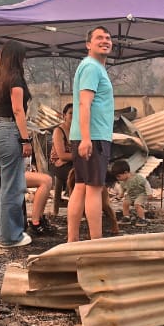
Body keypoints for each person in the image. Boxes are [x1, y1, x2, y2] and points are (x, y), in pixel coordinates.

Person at [67, 26, 115, 242]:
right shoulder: (91, 67)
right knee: (94, 188)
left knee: (81, 186)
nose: (105, 41)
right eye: (99, 38)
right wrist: (86, 138)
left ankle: (73, 241)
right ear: (88, 44)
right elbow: (84, 103)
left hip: (88, 135)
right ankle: (96, 242)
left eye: (108, 38)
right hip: (92, 136)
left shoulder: (94, 67)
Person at [0, 41, 34, 248]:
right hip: (9, 132)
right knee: (13, 188)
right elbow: (18, 110)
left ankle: (3, 234)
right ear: (18, 57)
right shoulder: (15, 79)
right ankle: (10, 237)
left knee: (7, 186)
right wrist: (25, 140)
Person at [0, 141, 54, 236]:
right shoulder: (4, 135)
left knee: (46, 180)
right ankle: (35, 224)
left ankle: (38, 220)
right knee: (46, 181)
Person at [48, 103, 74, 214]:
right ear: (64, 115)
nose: (73, 115)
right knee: (77, 176)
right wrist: (79, 156)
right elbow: (62, 155)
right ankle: (74, 208)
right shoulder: (59, 131)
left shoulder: (78, 130)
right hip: (57, 164)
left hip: (71, 162)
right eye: (70, 113)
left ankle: (80, 206)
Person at [111, 159, 150, 227]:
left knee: (137, 204)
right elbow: (123, 188)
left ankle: (142, 219)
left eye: (119, 176)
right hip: (131, 194)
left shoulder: (137, 178)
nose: (117, 178)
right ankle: (126, 217)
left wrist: (149, 193)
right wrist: (121, 194)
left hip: (141, 194)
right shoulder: (122, 181)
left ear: (126, 172)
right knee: (125, 203)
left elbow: (146, 183)